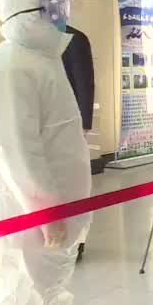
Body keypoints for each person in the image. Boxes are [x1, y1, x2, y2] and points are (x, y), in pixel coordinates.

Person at [0, 0, 92, 305]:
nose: (61, 18)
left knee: (42, 300)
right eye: (52, 11)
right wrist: (44, 211)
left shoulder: (38, 60)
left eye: (61, 9)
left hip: (47, 209)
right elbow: (16, 151)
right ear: (27, 16)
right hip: (25, 211)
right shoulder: (9, 68)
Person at [61, 24, 95, 261]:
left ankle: (78, 239)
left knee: (75, 184)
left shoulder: (74, 39)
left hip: (70, 125)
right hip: (45, 128)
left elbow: (84, 83)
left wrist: (84, 124)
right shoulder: (32, 39)